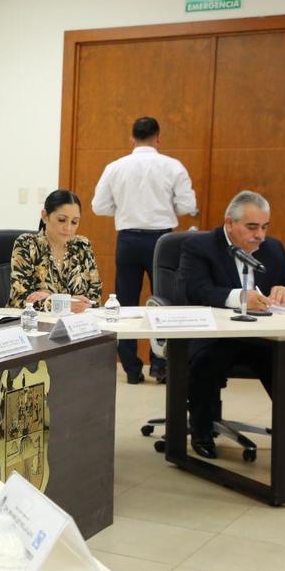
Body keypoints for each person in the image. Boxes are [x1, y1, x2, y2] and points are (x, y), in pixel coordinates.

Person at [180, 190, 285, 480]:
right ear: (229, 223)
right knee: (205, 362)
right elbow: (196, 290)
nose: (260, 235)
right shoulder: (199, 246)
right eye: (252, 227)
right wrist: (239, 298)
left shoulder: (273, 248)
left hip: (260, 337)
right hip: (215, 336)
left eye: (264, 227)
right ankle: (201, 432)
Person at [92, 116, 198, 384]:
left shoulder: (115, 167)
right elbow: (187, 205)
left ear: (132, 138)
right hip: (163, 242)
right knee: (162, 302)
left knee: (125, 302)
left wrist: (126, 210)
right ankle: (160, 365)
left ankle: (130, 368)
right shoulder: (173, 166)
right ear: (158, 138)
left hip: (128, 239)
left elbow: (99, 206)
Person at [8, 190, 102, 312]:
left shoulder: (82, 246)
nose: (68, 228)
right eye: (62, 220)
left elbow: (95, 299)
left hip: (75, 322)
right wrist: (65, 304)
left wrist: (52, 298)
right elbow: (20, 300)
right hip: (34, 322)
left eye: (74, 222)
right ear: (45, 216)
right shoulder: (27, 244)